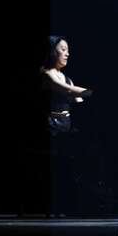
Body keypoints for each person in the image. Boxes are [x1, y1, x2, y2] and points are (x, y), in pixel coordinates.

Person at [41, 35, 93, 216]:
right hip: (50, 127)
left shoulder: (67, 77)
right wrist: (94, 92)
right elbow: (68, 90)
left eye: (68, 50)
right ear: (51, 51)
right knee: (63, 157)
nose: (67, 53)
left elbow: (79, 101)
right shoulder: (46, 74)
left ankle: (81, 203)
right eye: (63, 49)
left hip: (67, 127)